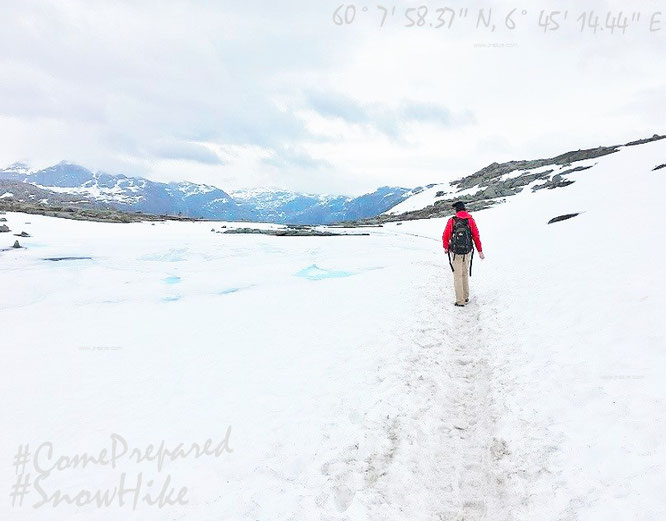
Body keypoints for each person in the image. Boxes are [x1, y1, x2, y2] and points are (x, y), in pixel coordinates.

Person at [442, 201, 484, 307]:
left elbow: (445, 235)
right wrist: (480, 251)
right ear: (465, 209)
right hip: (467, 251)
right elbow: (476, 236)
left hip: (456, 252)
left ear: (456, 210)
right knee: (464, 274)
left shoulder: (452, 220)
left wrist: (446, 247)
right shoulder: (470, 220)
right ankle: (465, 297)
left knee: (457, 276)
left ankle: (460, 301)